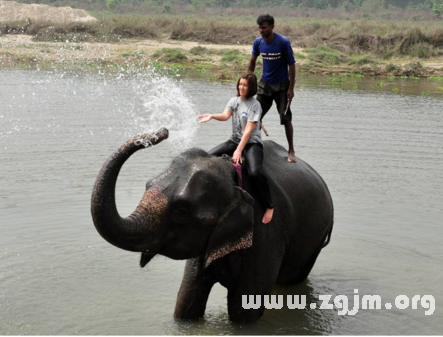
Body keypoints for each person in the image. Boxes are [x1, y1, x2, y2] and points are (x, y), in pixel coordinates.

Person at [198, 73, 274, 224]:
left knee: (254, 173)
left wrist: (239, 150)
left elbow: (248, 130)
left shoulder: (255, 105)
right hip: (234, 140)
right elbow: (226, 116)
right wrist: (212, 116)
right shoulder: (234, 101)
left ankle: (269, 205)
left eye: (245, 85)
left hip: (252, 143)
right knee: (206, 158)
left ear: (251, 87)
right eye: (240, 84)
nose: (241, 87)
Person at [248, 14, 297, 163]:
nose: (261, 30)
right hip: (265, 85)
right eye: (260, 28)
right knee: (255, 117)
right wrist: (249, 81)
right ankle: (253, 146)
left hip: (282, 86)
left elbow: (292, 65)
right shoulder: (258, 43)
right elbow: (252, 62)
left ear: (272, 27)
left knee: (285, 118)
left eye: (264, 28)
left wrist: (291, 88)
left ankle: (291, 150)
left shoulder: (282, 42)